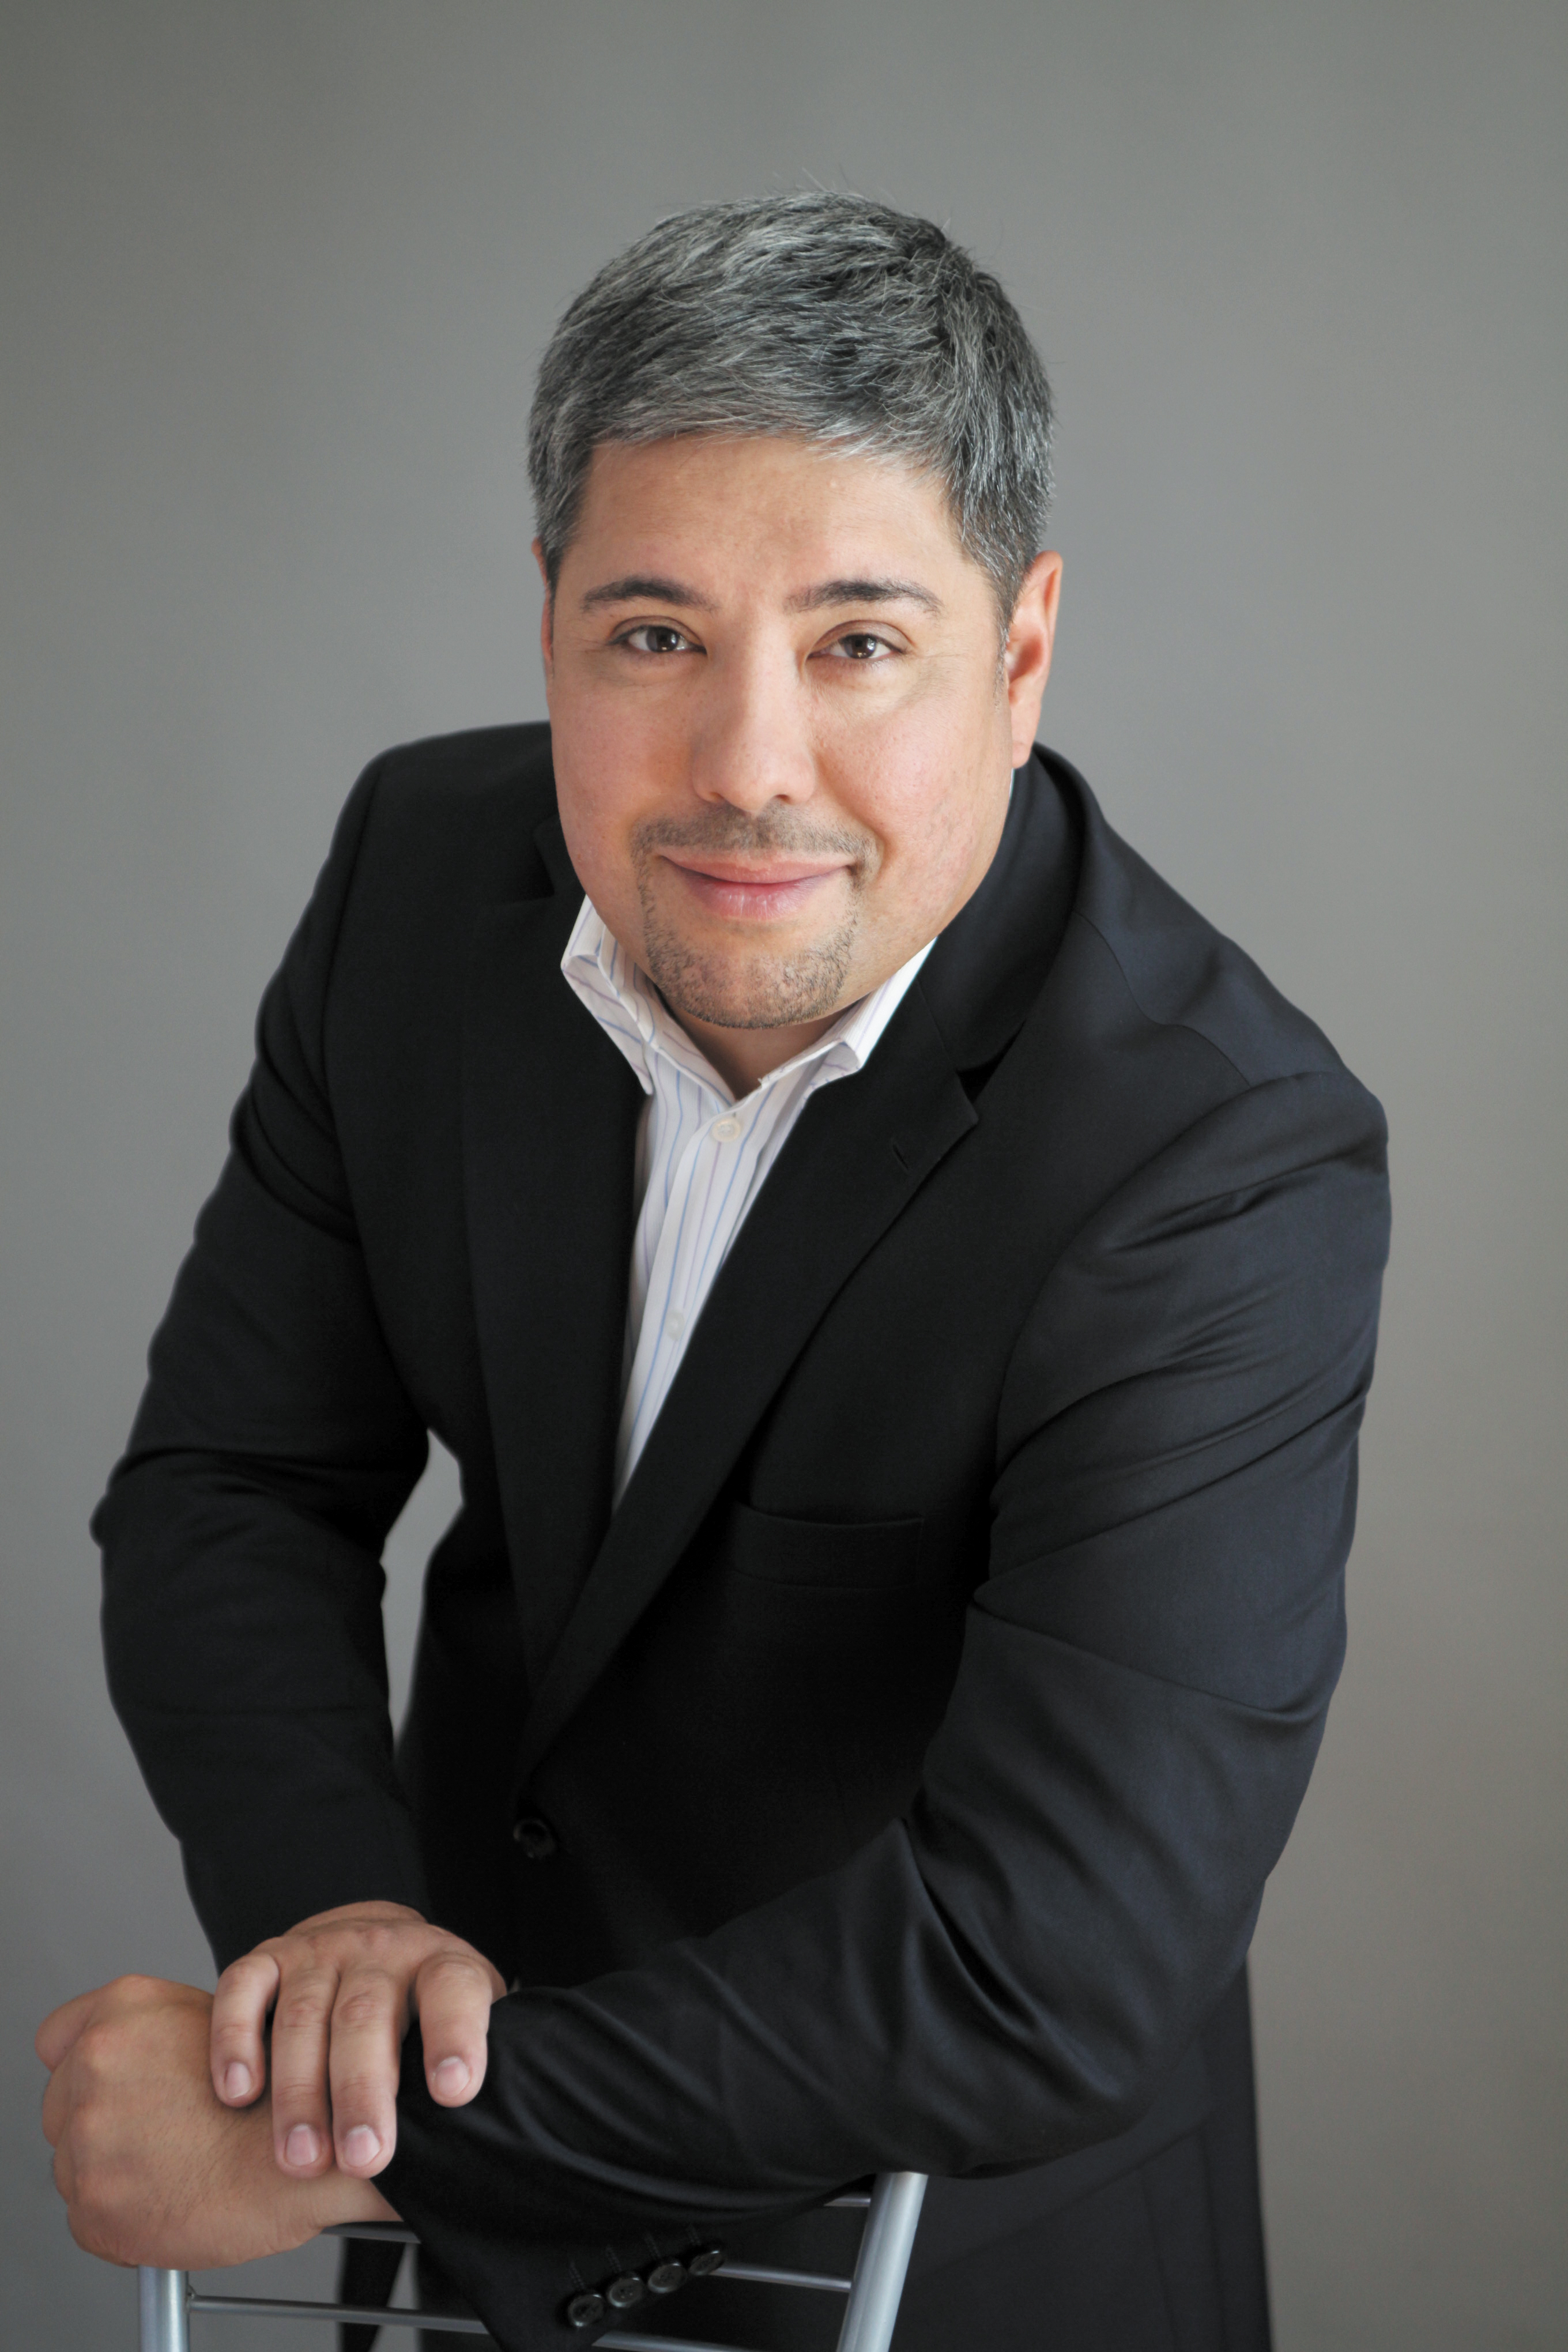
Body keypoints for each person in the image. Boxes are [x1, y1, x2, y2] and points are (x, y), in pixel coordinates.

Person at [38, 194, 1389, 2352]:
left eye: (859, 644)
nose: (749, 766)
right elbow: (232, 1484)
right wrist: (337, 1936)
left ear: (1020, 652)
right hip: (478, 2253)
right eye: (655, 635)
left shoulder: (1216, 1160)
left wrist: (351, 2139)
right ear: (549, 624)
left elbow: (1042, 1964)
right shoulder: (418, 882)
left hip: (952, 2274)